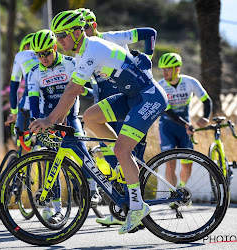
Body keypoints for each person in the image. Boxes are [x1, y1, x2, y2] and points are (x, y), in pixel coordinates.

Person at [29, 10, 168, 234]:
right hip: (131, 97)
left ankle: (137, 207)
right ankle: (125, 165)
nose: (59, 40)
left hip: (148, 96)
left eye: (63, 34)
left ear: (77, 32)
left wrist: (50, 119)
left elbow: (73, 90)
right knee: (91, 117)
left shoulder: (92, 48)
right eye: (57, 36)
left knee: (122, 150)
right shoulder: (81, 53)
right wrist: (57, 122)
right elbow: (71, 91)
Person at [77, 7, 156, 227]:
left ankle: (138, 210)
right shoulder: (82, 52)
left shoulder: (111, 38)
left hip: (134, 99)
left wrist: (146, 58)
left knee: (129, 155)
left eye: (85, 28)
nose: (83, 33)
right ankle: (124, 209)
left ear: (93, 26)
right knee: (115, 164)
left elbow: (149, 32)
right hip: (111, 104)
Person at [27, 29, 96, 224]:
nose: (43, 58)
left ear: (55, 48)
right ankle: (57, 210)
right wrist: (38, 122)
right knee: (51, 164)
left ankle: (93, 189)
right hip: (49, 121)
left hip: (71, 117)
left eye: (46, 53)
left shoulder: (71, 64)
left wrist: (84, 91)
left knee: (82, 153)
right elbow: (33, 104)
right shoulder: (34, 73)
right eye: (38, 55)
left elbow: (91, 92)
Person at [157, 52, 212, 202]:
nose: (164, 72)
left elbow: (207, 101)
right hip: (167, 127)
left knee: (187, 165)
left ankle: (182, 190)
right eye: (162, 69)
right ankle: (173, 196)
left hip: (185, 128)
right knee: (170, 164)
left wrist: (205, 117)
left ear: (177, 69)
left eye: (167, 68)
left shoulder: (190, 82)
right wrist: (186, 124)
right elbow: (168, 112)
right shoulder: (160, 86)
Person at [4, 33, 39, 149]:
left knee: (22, 147)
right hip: (51, 105)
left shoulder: (21, 55)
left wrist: (14, 114)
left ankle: (22, 157)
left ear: (25, 47)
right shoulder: (48, 55)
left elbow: (14, 88)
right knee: (46, 148)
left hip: (28, 105)